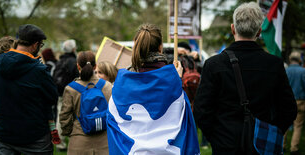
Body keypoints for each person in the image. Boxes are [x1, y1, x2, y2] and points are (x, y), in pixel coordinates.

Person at [194, 2, 297, 155]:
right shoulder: (274, 64)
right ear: (259, 32)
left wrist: (216, 138)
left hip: (225, 144)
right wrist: (273, 131)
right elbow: (288, 109)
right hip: (261, 145)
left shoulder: (214, 64)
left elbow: (201, 110)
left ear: (233, 28)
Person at [106, 23, 200, 154]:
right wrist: (177, 78)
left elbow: (114, 121)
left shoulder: (121, 83)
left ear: (136, 44)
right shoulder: (172, 81)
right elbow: (185, 117)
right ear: (160, 47)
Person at [0, 24, 58, 154]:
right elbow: (52, 97)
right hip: (34, 136)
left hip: (4, 132)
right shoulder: (38, 70)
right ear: (35, 45)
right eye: (40, 45)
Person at [60, 51, 112, 154]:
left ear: (78, 66)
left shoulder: (71, 89)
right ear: (95, 66)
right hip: (105, 142)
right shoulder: (108, 86)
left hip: (79, 141)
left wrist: (69, 132)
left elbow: (65, 116)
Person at [53, 39, 79, 151]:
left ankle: (60, 143)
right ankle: (75, 142)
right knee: (75, 117)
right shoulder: (74, 61)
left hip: (59, 93)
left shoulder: (59, 61)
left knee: (61, 117)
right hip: (71, 93)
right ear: (73, 49)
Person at [284, 51, 305, 155]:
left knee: (285, 124)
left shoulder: (285, 71)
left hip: (287, 100)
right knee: (298, 126)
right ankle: (294, 149)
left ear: (291, 59)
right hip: (300, 100)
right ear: (299, 60)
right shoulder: (303, 71)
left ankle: (281, 146)